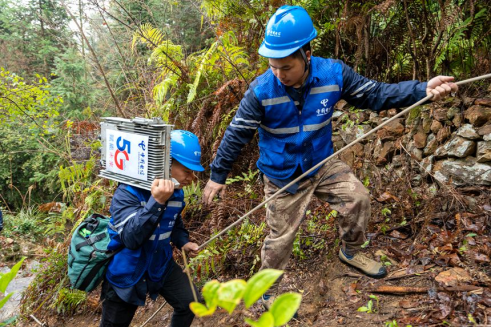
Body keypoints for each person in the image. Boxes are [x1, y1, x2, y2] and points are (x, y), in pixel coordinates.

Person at [202, 5, 458, 309]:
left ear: (306, 55)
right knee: (280, 240)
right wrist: (217, 177)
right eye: (273, 66)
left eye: (286, 67)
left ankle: (350, 251)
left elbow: (376, 94)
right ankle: (267, 290)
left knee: (358, 199)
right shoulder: (260, 91)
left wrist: (421, 90)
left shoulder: (333, 74)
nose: (279, 74)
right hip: (282, 173)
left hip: (321, 163)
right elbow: (236, 134)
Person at [100, 130, 205, 327]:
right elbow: (131, 238)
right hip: (127, 268)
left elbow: (174, 223)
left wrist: (183, 242)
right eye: (187, 171)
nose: (192, 178)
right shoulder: (127, 192)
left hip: (160, 262)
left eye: (194, 172)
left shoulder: (176, 194)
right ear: (166, 163)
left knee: (190, 303)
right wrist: (156, 201)